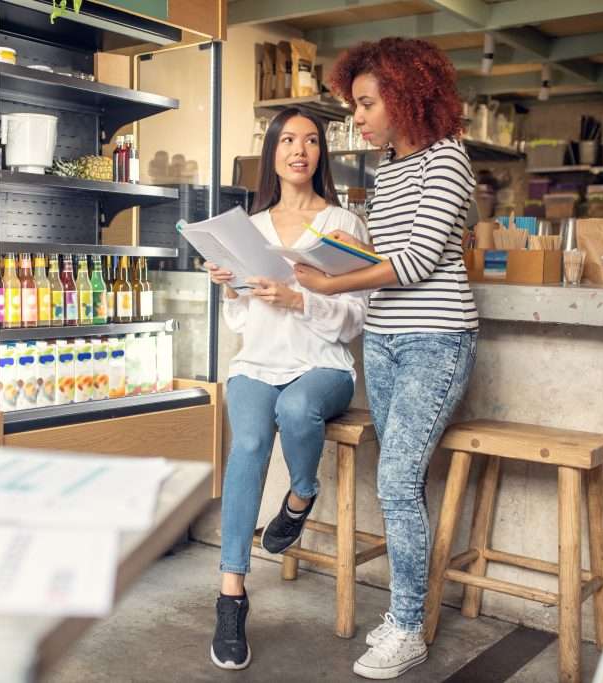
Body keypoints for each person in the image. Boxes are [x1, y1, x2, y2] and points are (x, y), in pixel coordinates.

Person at [293, 38, 479, 679]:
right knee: (398, 480)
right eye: (355, 104)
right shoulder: (391, 168)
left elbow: (416, 262)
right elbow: (380, 255)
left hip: (437, 339)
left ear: (406, 96)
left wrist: (329, 282)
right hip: (384, 338)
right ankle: (403, 615)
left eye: (367, 104)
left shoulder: (448, 159)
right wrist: (322, 257)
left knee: (398, 480)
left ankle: (407, 628)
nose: (359, 117)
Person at [205, 107, 369, 671]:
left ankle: (300, 497)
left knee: (298, 408)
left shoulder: (344, 224)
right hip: (257, 363)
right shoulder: (248, 229)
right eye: (289, 140)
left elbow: (355, 319)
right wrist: (231, 289)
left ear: (322, 153)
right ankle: (231, 597)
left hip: (322, 365)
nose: (300, 150)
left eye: (312, 141)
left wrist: (299, 300)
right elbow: (240, 322)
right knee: (249, 444)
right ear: (272, 152)